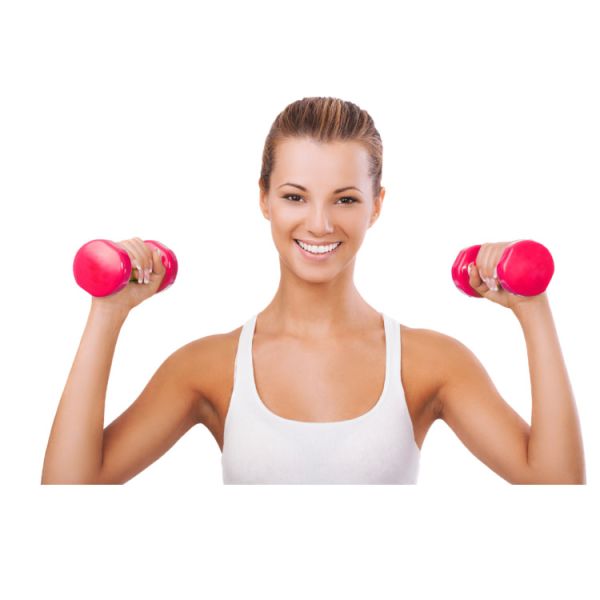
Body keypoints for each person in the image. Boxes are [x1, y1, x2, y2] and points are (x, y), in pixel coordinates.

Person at [42, 96, 586, 485]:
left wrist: (533, 310)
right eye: (295, 196)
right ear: (264, 199)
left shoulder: (430, 362)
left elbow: (557, 490)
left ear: (376, 205)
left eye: (345, 199)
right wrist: (107, 312)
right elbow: (69, 493)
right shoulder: (207, 366)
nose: (320, 224)